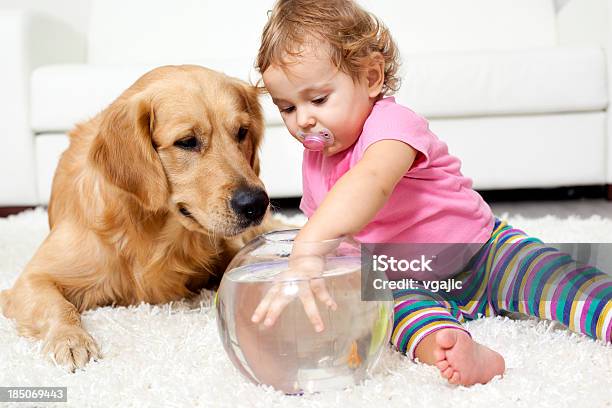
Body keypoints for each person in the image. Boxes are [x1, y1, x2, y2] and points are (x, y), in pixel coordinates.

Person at [250, 0, 612, 386]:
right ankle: (454, 345)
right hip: (406, 276)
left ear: (371, 78)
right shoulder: (316, 162)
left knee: (551, 275)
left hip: (483, 252)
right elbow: (340, 239)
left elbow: (371, 181)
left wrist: (310, 244)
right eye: (287, 107)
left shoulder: (392, 125)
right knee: (394, 316)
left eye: (319, 99)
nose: (303, 120)